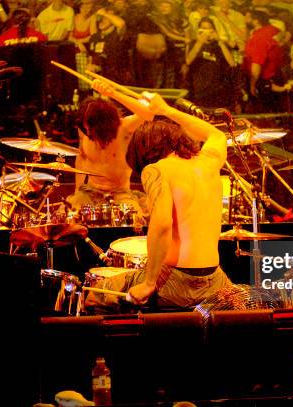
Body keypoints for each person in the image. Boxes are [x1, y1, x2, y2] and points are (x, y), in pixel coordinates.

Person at [85, 91, 232, 310]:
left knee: (96, 295)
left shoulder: (156, 169)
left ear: (146, 151)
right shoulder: (209, 163)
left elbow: (162, 224)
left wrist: (149, 282)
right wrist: (166, 110)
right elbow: (217, 135)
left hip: (176, 280)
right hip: (214, 279)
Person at [65, 79, 153, 227]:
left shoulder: (124, 128)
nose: (87, 131)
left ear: (104, 124)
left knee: (136, 221)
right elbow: (81, 158)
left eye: (90, 128)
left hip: (120, 192)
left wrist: (112, 93)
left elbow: (148, 113)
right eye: (85, 127)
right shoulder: (84, 129)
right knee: (71, 215)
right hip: (91, 191)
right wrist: (77, 190)